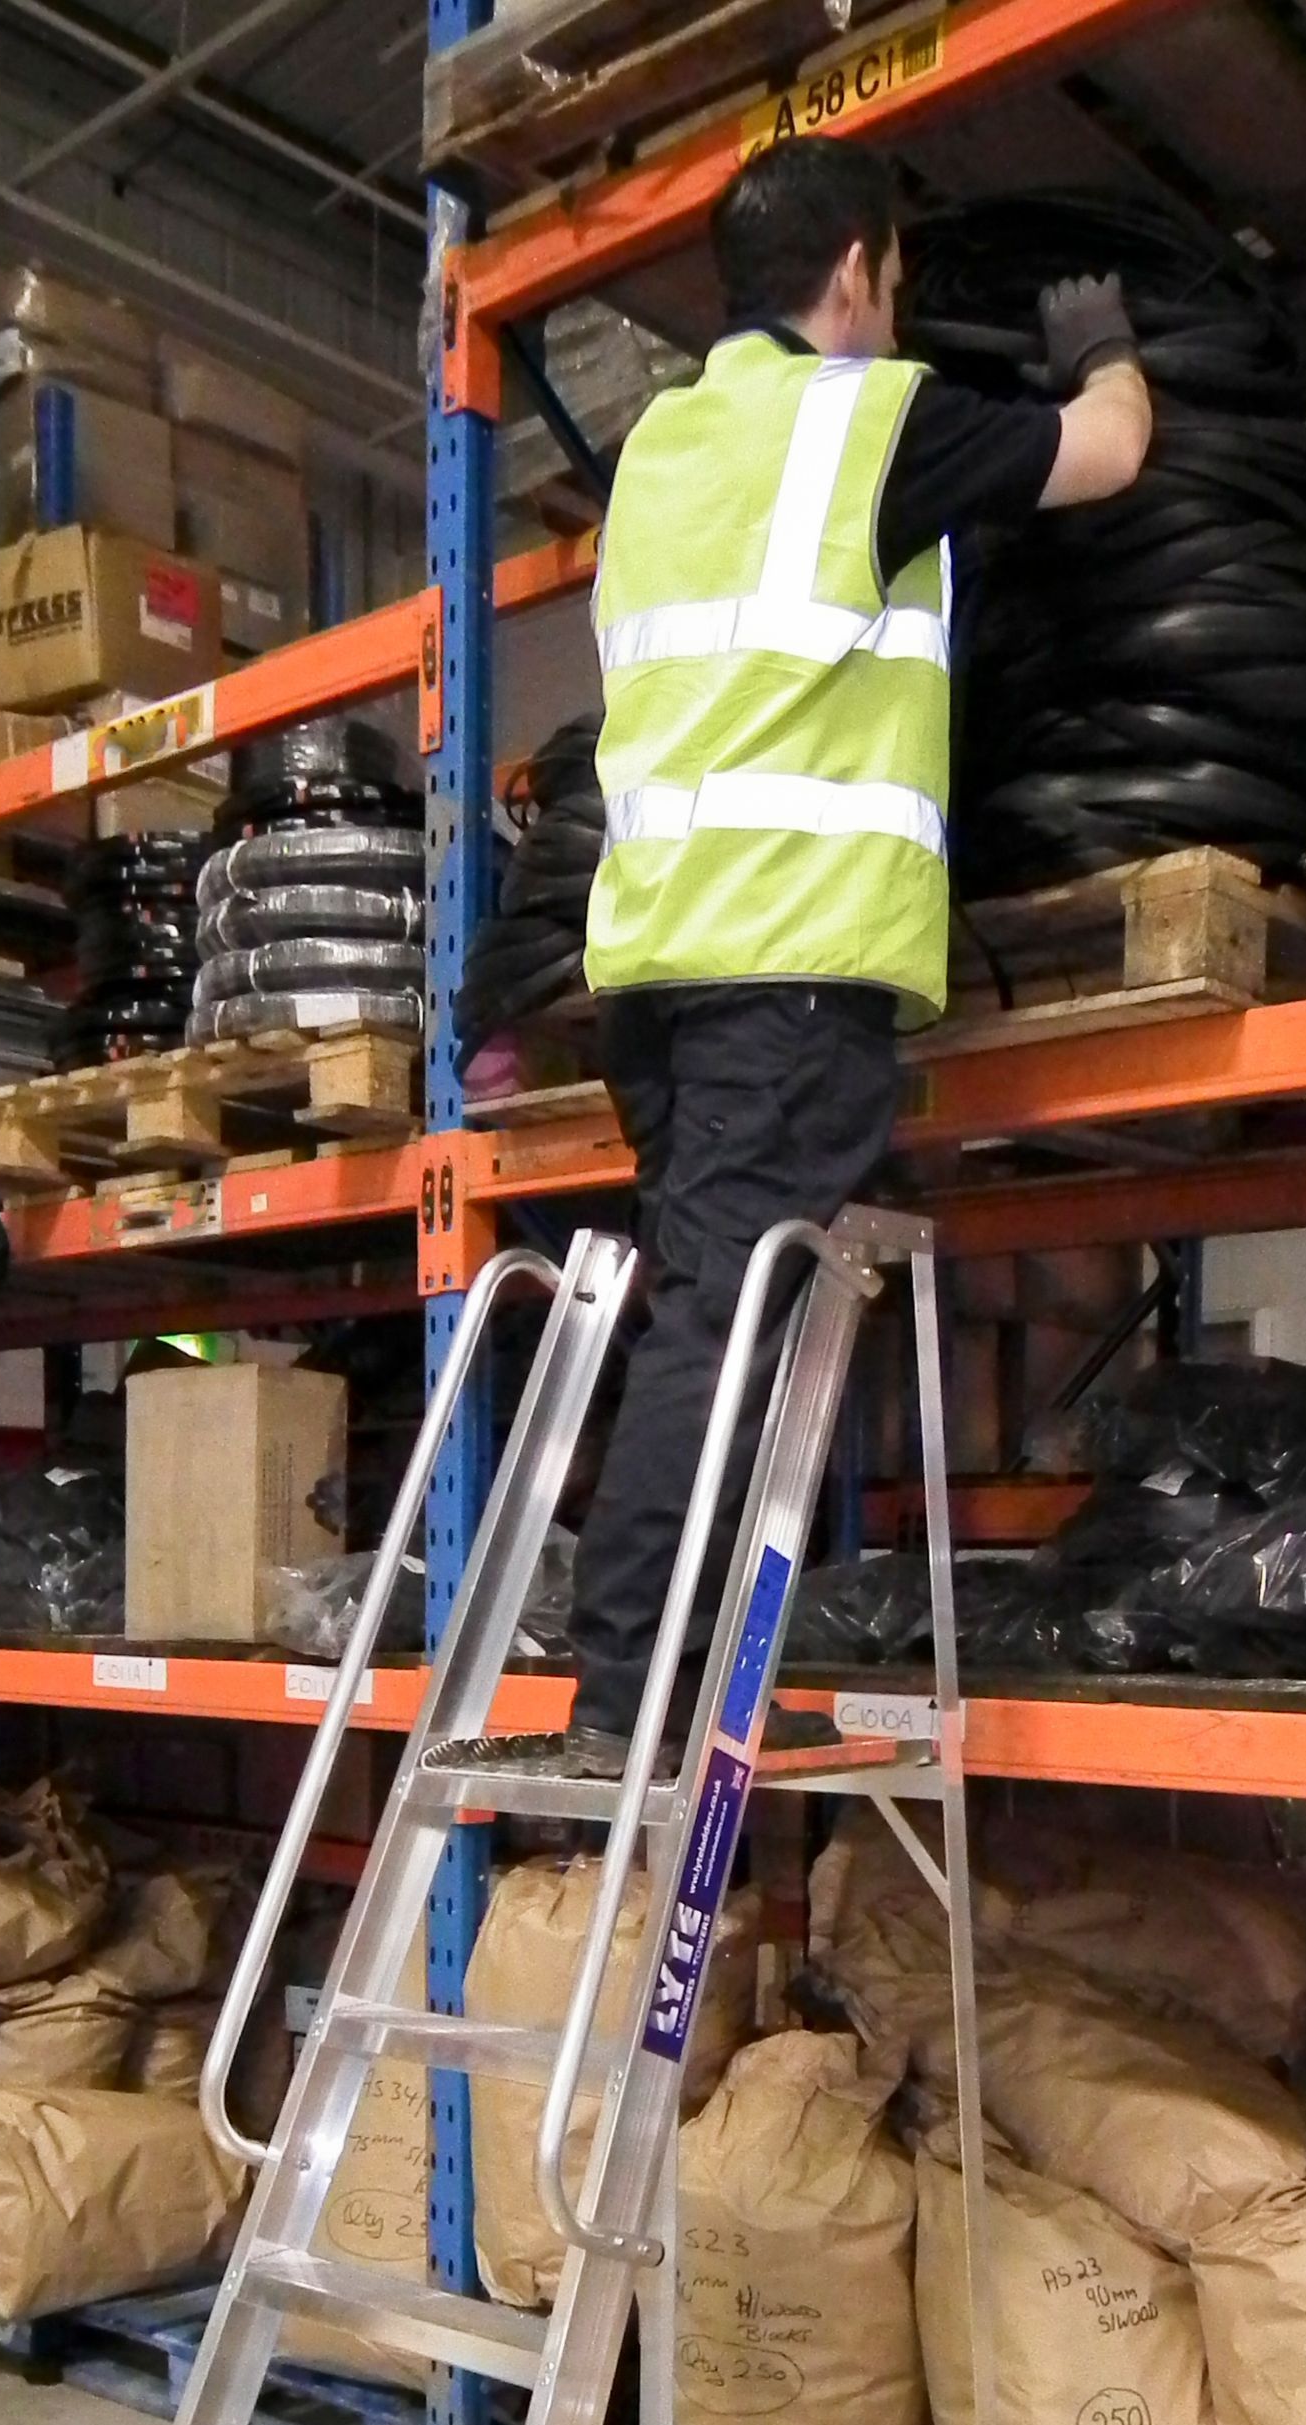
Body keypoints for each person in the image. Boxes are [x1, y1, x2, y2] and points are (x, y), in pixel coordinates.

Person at [482, 136, 1151, 1779]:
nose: (898, 304)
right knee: (719, 1329)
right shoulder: (870, 421)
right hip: (784, 974)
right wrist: (1101, 349)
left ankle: (669, 1675)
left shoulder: (663, 453)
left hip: (659, 969)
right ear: (856, 271)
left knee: (718, 1319)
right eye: (898, 278)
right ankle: (625, 1692)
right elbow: (1113, 454)